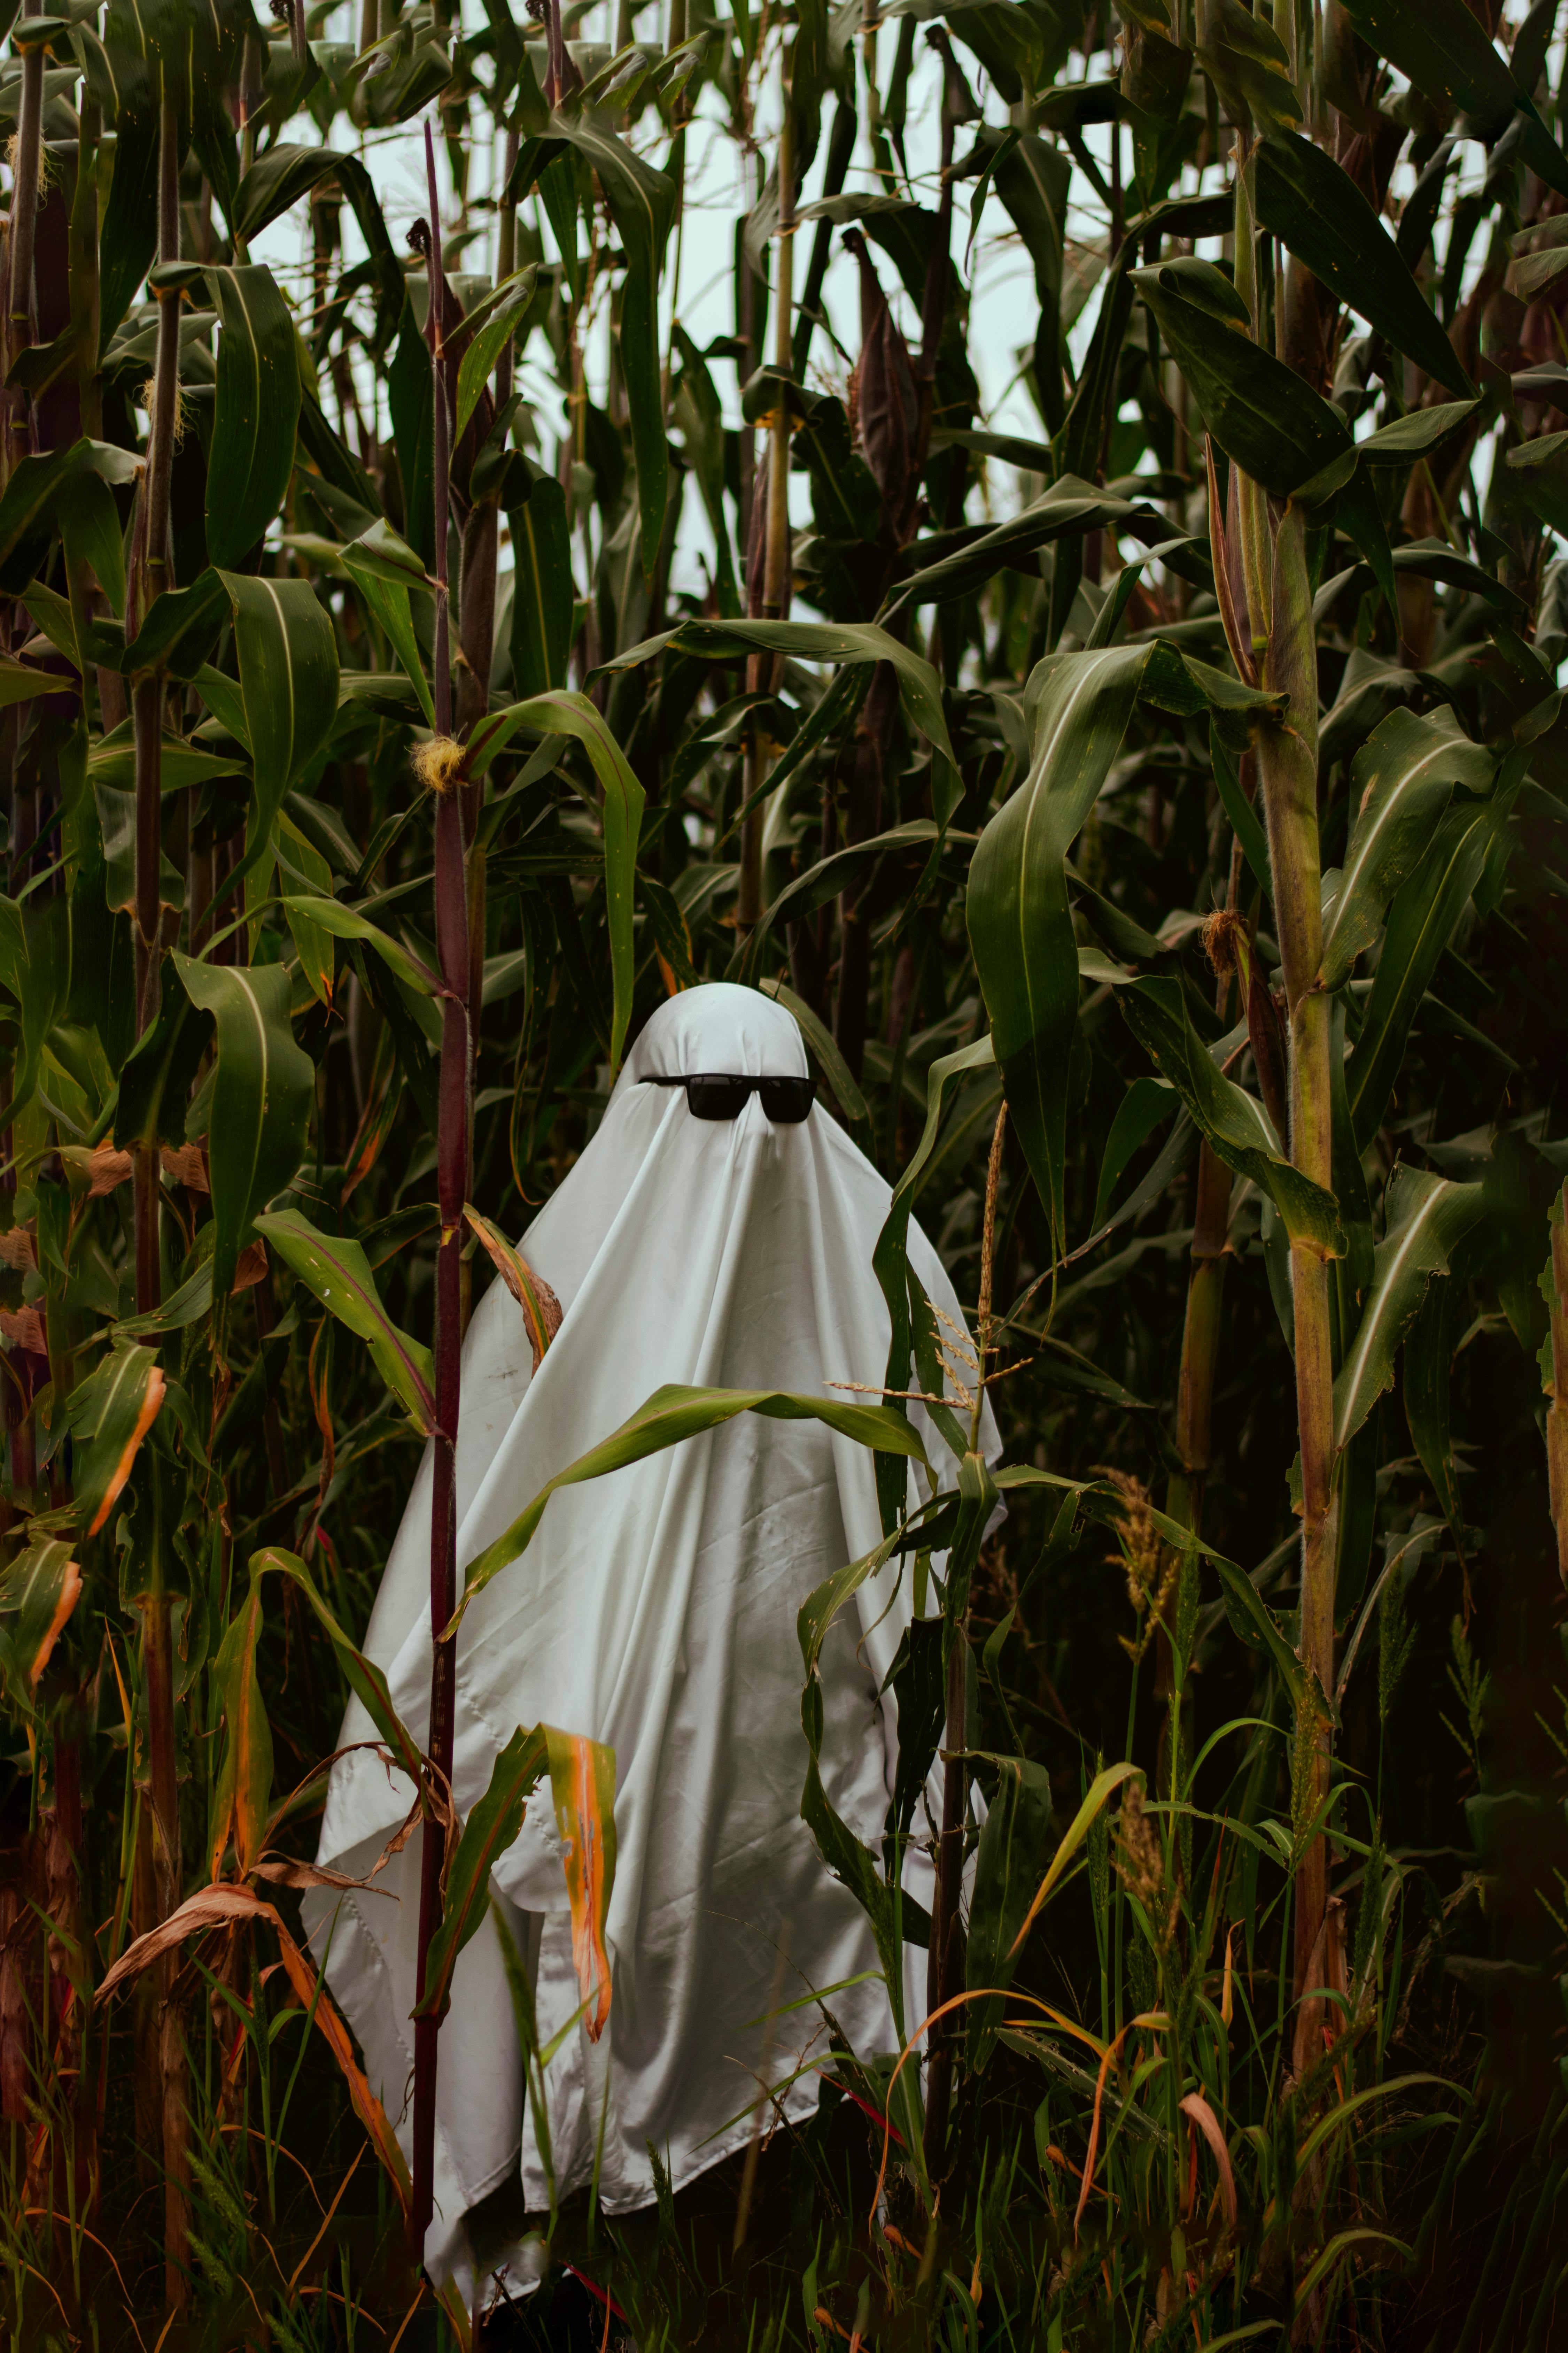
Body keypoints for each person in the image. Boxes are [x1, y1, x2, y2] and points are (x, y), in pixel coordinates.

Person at [305, 982, 996, 2303]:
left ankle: (780, 2199)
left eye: (780, 1110)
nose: (748, 1150)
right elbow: (478, 1574)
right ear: (653, 1117)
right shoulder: (555, 1310)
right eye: (716, 1110)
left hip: (798, 1778)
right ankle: (578, 2222)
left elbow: (943, 1491)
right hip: (604, 1778)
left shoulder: (870, 1295)